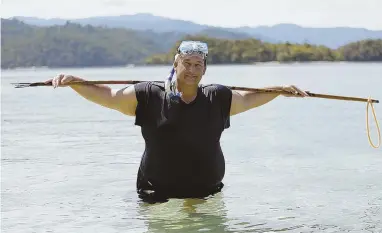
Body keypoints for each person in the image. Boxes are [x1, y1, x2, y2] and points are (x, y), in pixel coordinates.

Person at [49, 40, 308, 203]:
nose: (193, 70)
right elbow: (108, 95)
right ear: (176, 64)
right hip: (156, 195)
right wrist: (75, 82)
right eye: (187, 63)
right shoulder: (150, 95)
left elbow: (250, 98)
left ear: (205, 69)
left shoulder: (217, 97)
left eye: (198, 64)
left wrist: (280, 89)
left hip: (207, 194)